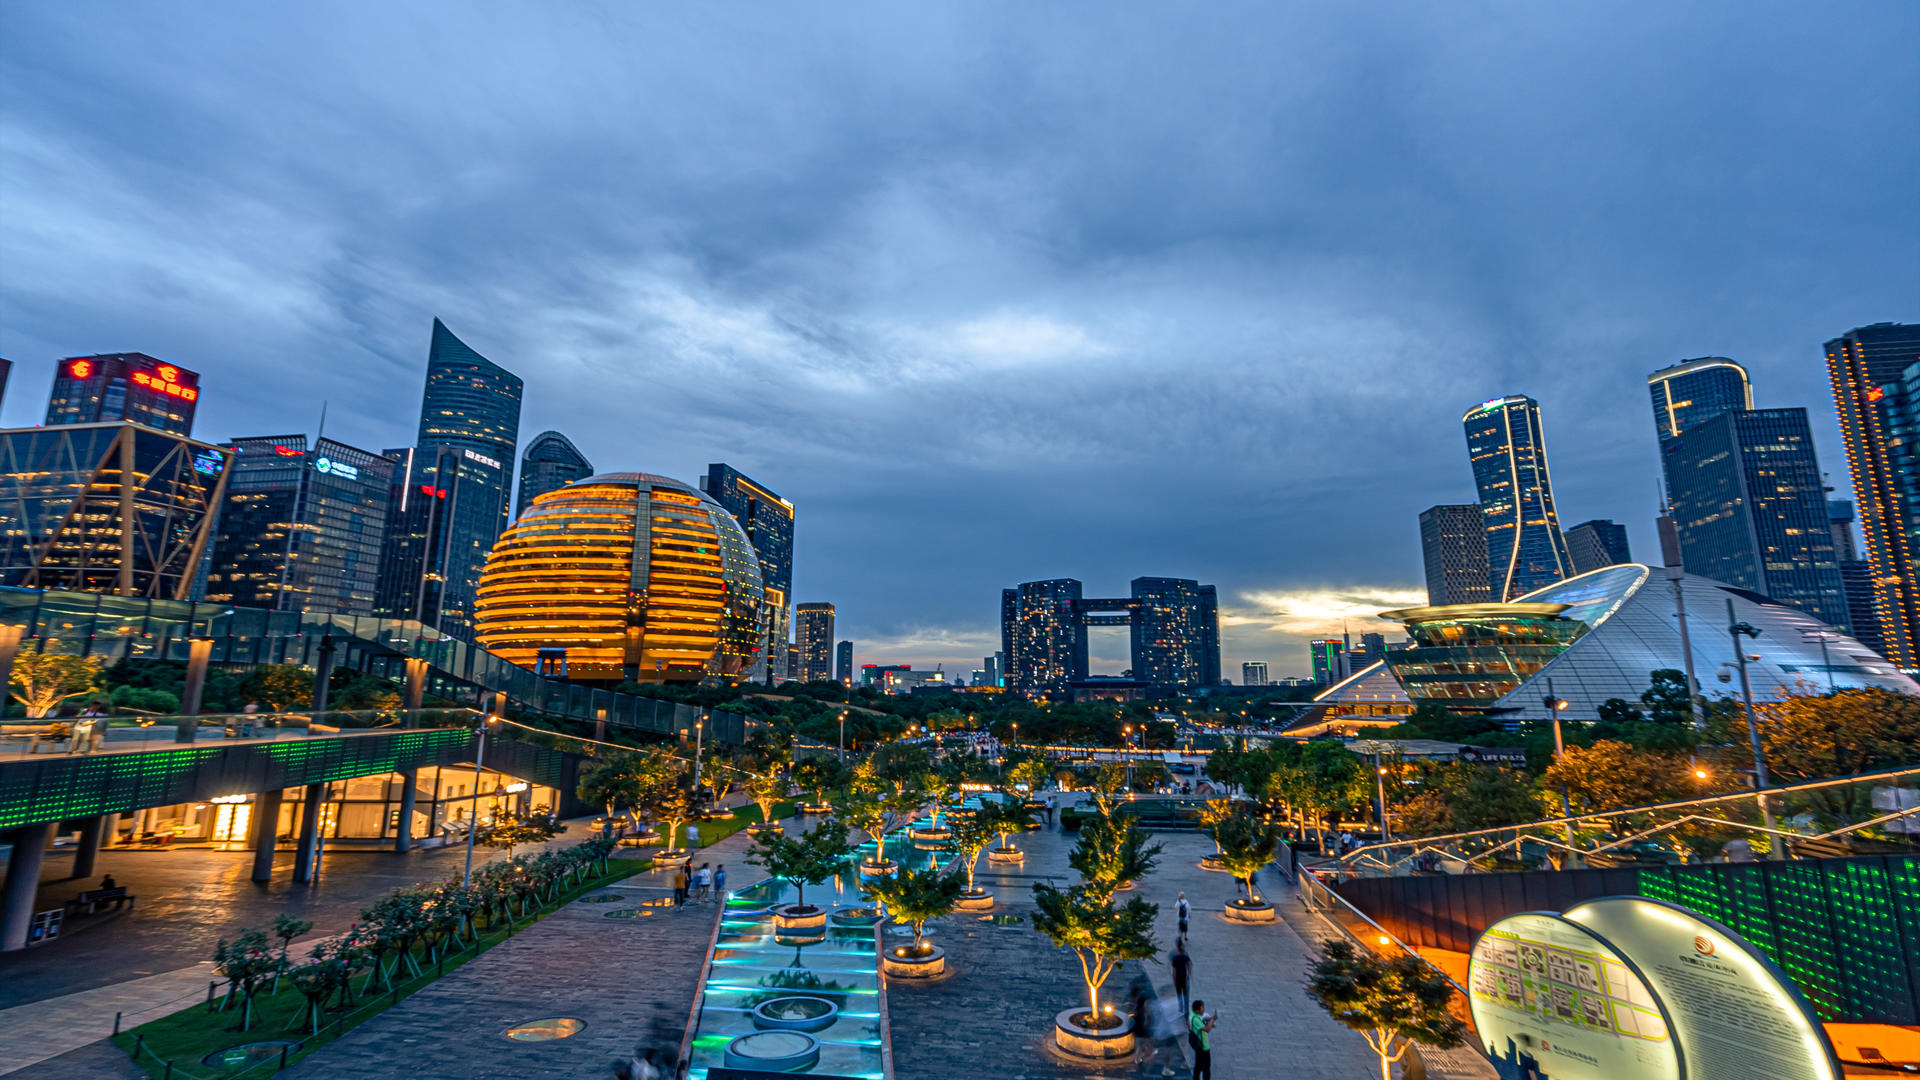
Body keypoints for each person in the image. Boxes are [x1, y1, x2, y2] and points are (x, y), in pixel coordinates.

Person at [1188, 1000, 1215, 1080]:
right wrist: (1212, 1020)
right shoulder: (1195, 1019)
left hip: (1200, 1045)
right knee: (1206, 1068)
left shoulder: (1194, 1015)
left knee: (1198, 1066)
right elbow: (1207, 1029)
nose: (1204, 1009)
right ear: (1197, 1009)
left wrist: (1210, 1022)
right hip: (1203, 1046)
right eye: (1202, 1007)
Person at [1170, 936, 1191, 1012]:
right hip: (1184, 976)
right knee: (1185, 992)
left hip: (1178, 977)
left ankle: (1181, 1008)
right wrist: (1189, 974)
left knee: (1179, 992)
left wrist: (1174, 979)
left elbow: (1174, 970)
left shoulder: (1175, 958)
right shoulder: (1185, 956)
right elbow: (1188, 965)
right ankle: (1185, 1007)